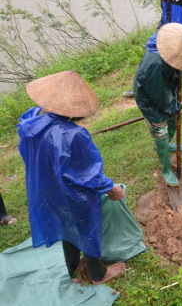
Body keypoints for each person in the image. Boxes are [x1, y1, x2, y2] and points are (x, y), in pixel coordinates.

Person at [17, 70, 126, 285]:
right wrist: (111, 188)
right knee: (86, 227)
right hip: (72, 194)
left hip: (45, 187)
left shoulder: (29, 121)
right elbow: (89, 174)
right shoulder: (73, 135)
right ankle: (99, 274)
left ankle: (73, 268)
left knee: (65, 224)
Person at [133, 23, 182, 186]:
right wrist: (175, 107)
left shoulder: (169, 53)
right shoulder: (155, 65)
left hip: (164, 91)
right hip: (149, 99)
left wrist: (174, 107)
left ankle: (168, 144)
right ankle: (166, 168)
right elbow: (159, 94)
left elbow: (167, 86)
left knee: (172, 119)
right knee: (160, 131)